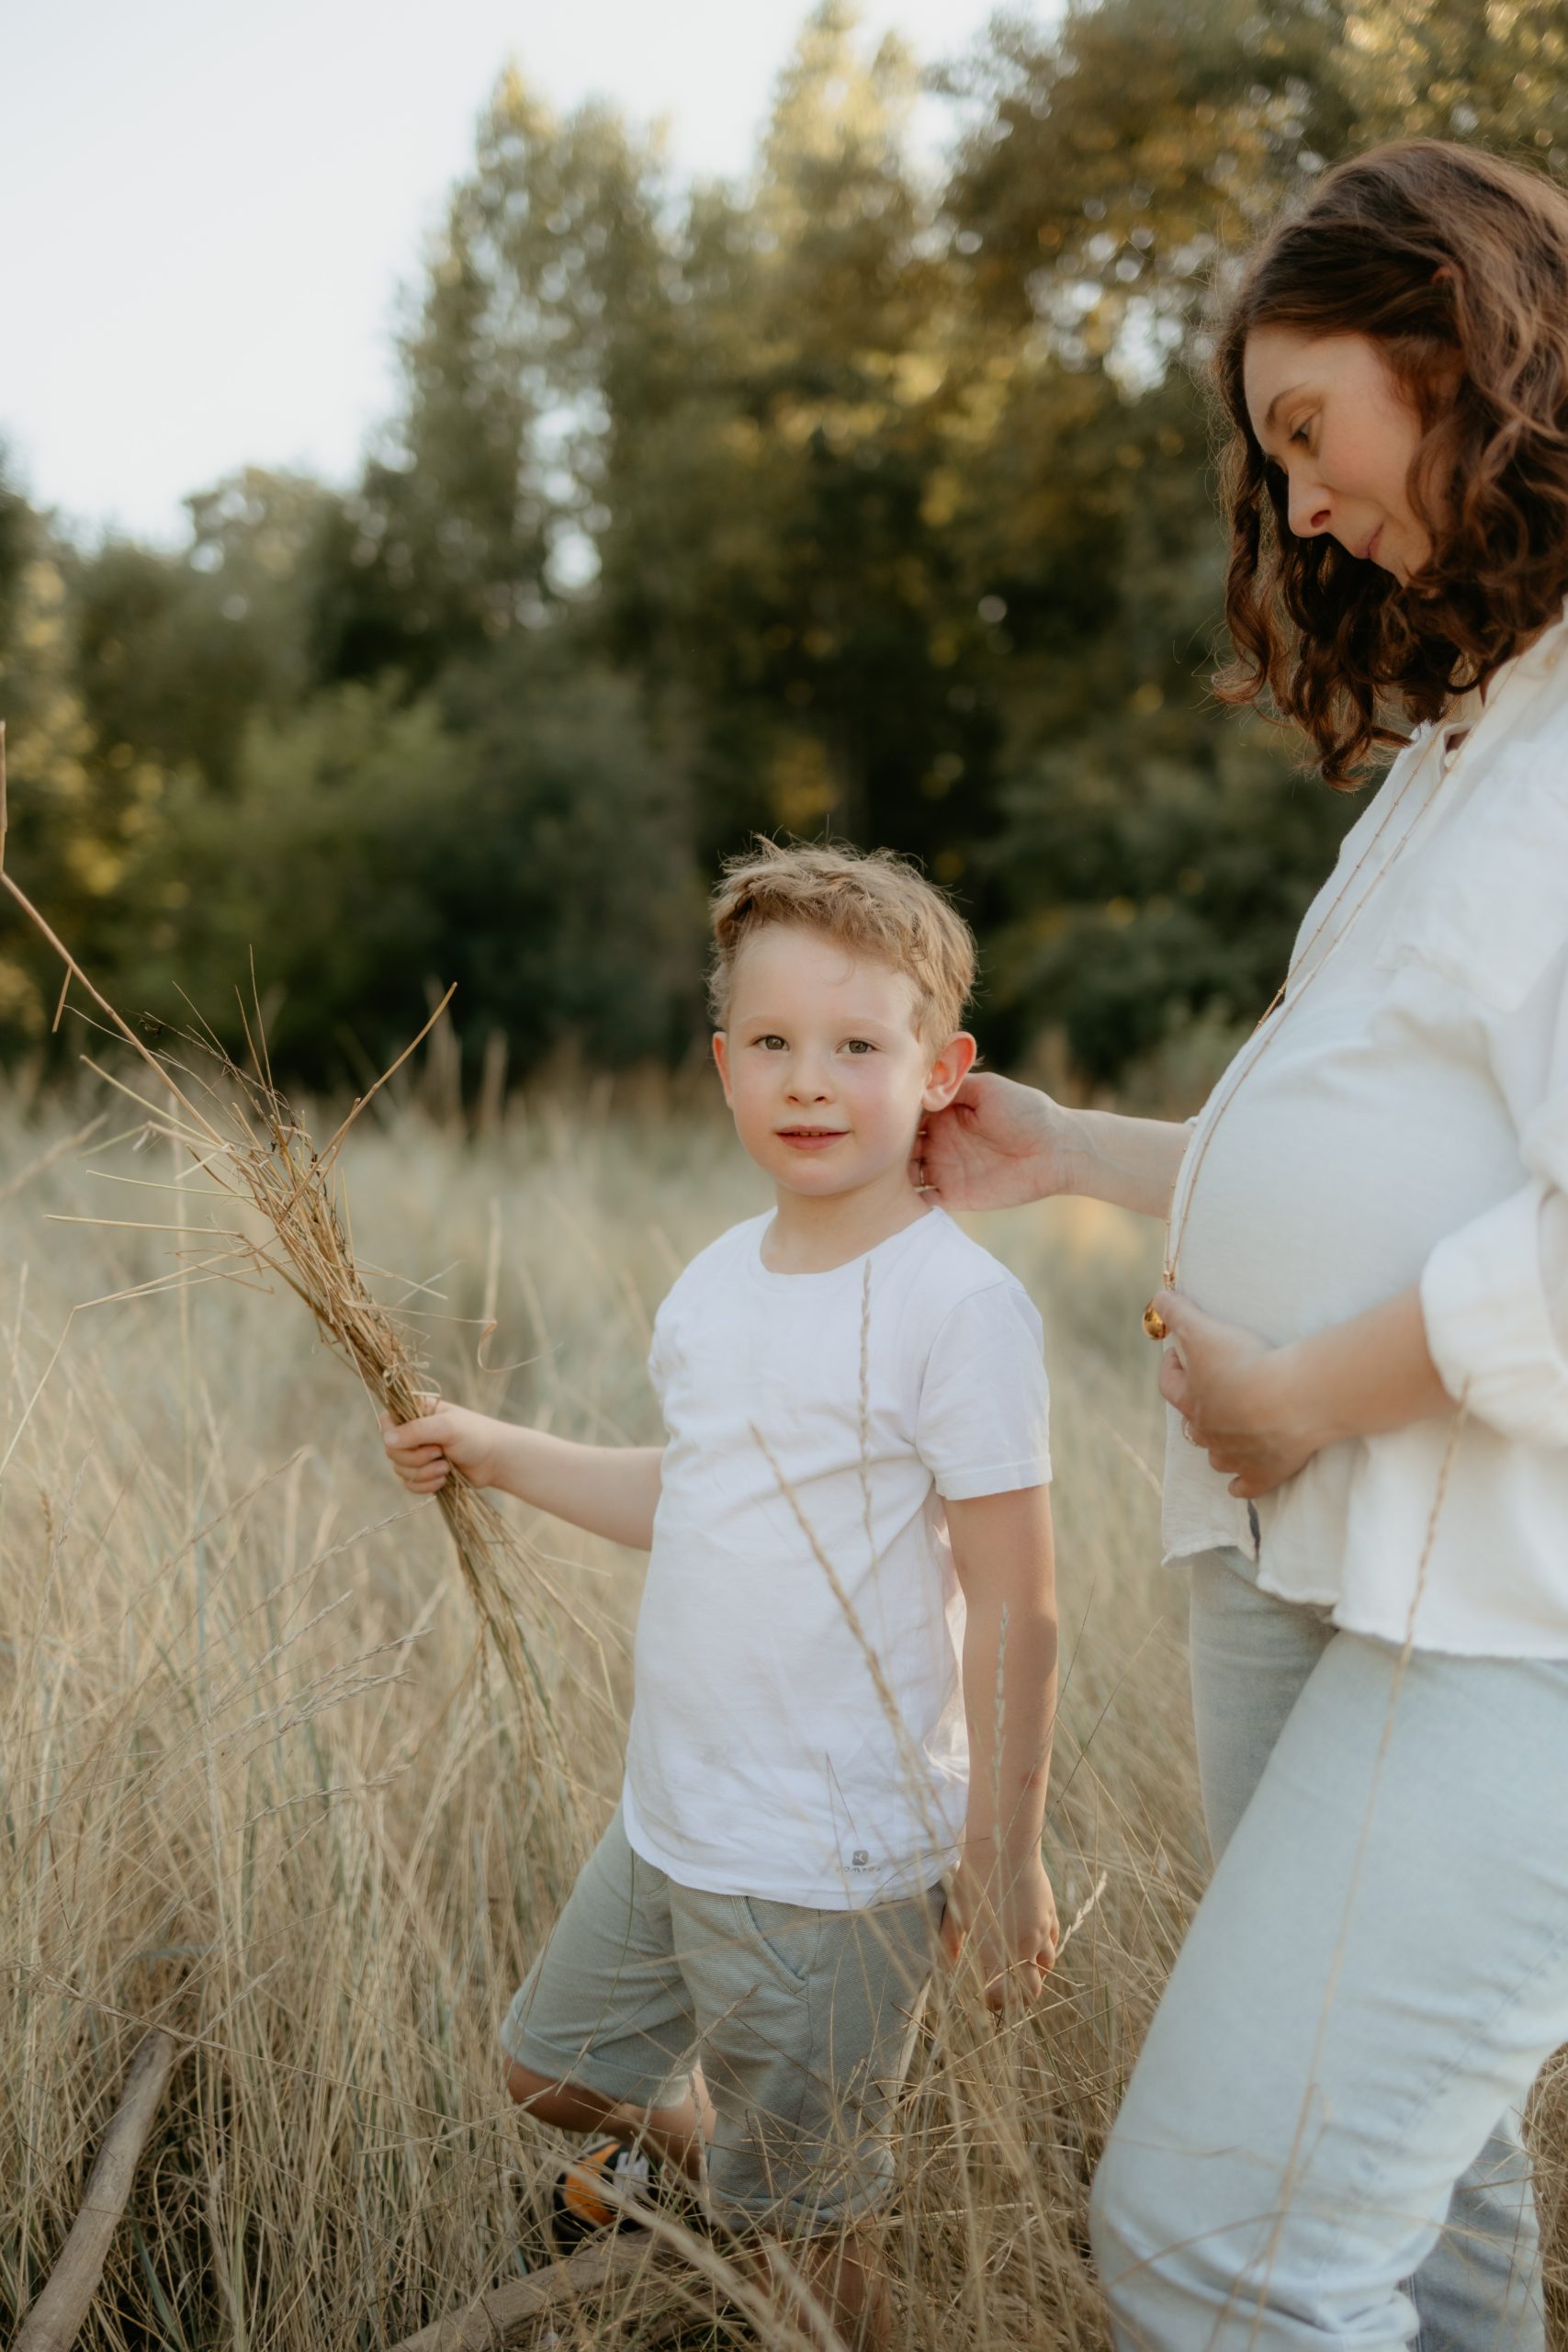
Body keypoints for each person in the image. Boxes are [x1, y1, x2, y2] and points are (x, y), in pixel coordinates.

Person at [918, 138, 1568, 2350]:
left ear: (1458, 347)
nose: (1291, 505)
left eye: (1309, 428)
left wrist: (1299, 1388)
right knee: (1422, 2211)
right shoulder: (1472, 737)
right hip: (1329, 1557)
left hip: (1499, 1604)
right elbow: (1389, 1128)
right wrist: (1071, 1153)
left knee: (1220, 2242)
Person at [384, 840, 1057, 2348]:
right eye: (772, 1045)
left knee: (814, 2239)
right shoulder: (715, 1284)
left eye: (856, 1047)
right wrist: (496, 1448)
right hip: (676, 1819)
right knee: (553, 2073)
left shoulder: (959, 1308)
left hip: (831, 1868)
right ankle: (716, 2152)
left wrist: (1002, 1852)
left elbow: (1021, 1606)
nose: (809, 1082)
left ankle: (774, 2211)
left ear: (942, 1070)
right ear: (722, 1064)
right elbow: (695, 1503)